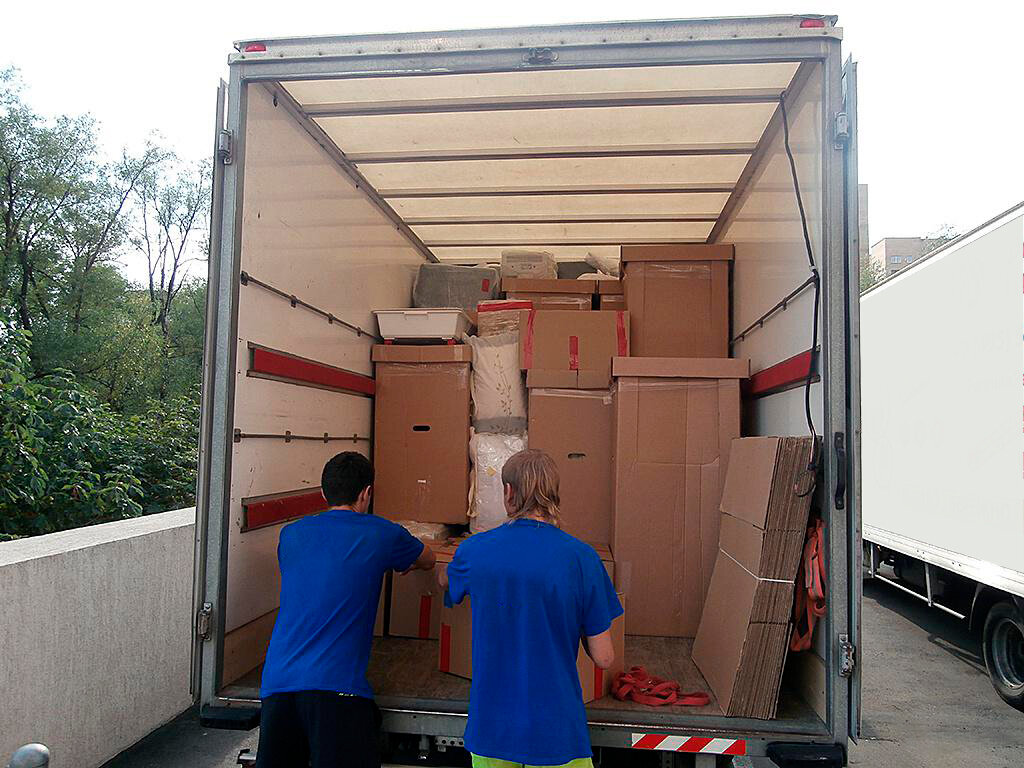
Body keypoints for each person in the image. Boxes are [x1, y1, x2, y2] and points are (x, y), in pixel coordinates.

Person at [440, 449, 622, 768]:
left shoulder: (474, 551)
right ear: (554, 494)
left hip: (492, 731)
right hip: (557, 733)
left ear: (509, 492)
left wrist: (447, 570)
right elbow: (604, 657)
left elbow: (446, 581)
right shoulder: (582, 558)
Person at [255, 451, 436, 768]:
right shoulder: (381, 533)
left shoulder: (291, 535)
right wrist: (405, 560)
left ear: (323, 493)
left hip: (277, 687)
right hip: (338, 692)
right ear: (367, 493)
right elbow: (428, 559)